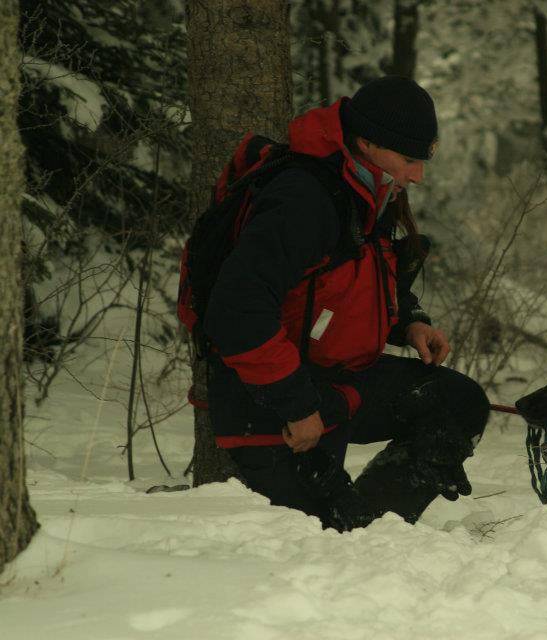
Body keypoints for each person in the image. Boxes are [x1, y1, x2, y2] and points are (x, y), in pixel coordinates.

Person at [203, 76, 490, 532]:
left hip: (341, 389)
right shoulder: (305, 198)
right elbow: (238, 308)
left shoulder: (365, 187)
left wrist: (409, 322)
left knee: (458, 404)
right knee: (327, 540)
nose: (416, 175)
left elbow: (352, 282)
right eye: (409, 159)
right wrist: (296, 405)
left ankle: (379, 523)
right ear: (366, 141)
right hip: (275, 406)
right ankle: (360, 528)